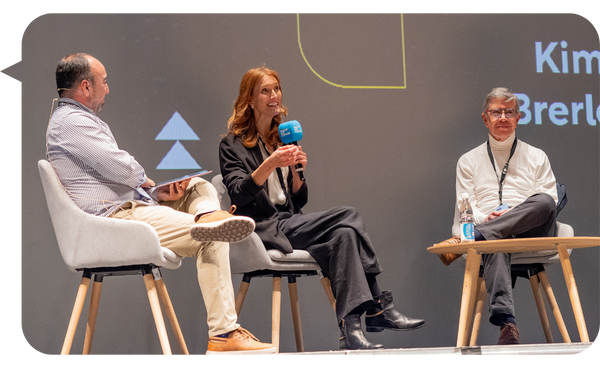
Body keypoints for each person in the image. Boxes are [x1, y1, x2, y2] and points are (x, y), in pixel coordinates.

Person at [46, 53, 276, 356]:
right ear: (86, 87)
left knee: (197, 186)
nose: (108, 89)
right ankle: (223, 334)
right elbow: (120, 168)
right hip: (114, 222)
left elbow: (114, 179)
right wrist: (145, 181)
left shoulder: (79, 120)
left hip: (130, 209)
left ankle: (207, 213)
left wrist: (156, 195)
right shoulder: (70, 122)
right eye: (104, 82)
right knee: (215, 235)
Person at [218, 66, 425, 350]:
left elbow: (298, 200)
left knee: (345, 236)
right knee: (349, 215)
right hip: (263, 229)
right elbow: (239, 194)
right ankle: (379, 306)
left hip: (290, 222)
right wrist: (270, 164)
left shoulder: (283, 138)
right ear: (250, 99)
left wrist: (296, 172)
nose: (273, 95)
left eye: (276, 89)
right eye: (265, 90)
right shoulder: (232, 145)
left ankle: (351, 331)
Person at [435, 87, 558, 345]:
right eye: (496, 111)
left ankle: (477, 237)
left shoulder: (537, 156)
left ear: (518, 117)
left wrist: (515, 213)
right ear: (485, 118)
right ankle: (507, 324)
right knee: (497, 240)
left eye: (509, 111)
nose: (503, 117)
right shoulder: (468, 161)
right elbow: (464, 205)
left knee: (544, 201)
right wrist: (485, 219)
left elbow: (550, 202)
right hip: (489, 227)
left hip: (531, 227)